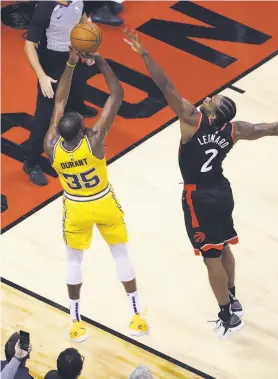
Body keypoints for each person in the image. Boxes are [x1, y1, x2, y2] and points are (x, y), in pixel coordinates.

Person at [124, 29, 278, 339]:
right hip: (221, 191)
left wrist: (144, 54)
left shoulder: (192, 119)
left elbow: (164, 85)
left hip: (197, 196)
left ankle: (227, 315)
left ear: (212, 110)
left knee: (210, 256)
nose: (209, 96)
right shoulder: (235, 130)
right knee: (223, 246)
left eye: (214, 99)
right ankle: (232, 297)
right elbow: (272, 128)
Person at [43, 47, 148, 342]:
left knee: (74, 262)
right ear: (83, 130)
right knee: (120, 254)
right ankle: (137, 316)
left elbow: (60, 100)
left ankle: (75, 322)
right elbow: (116, 95)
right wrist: (101, 60)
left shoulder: (51, 144)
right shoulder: (95, 141)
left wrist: (70, 64)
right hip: (102, 201)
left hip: (75, 207)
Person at [24, 0, 98, 186]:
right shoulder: (45, 7)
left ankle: (75, 128)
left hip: (72, 54)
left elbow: (81, 20)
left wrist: (86, 49)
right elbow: (29, 45)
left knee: (78, 94)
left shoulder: (79, 1)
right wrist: (41, 76)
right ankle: (31, 163)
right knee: (44, 117)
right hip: (51, 62)